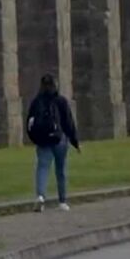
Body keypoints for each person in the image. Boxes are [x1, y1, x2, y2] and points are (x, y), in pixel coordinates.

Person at [25, 74, 79, 213]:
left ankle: (40, 196)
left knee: (42, 168)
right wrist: (74, 141)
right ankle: (62, 201)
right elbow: (68, 123)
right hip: (59, 140)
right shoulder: (60, 101)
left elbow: (29, 122)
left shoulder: (37, 101)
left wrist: (34, 138)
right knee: (61, 170)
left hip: (43, 141)